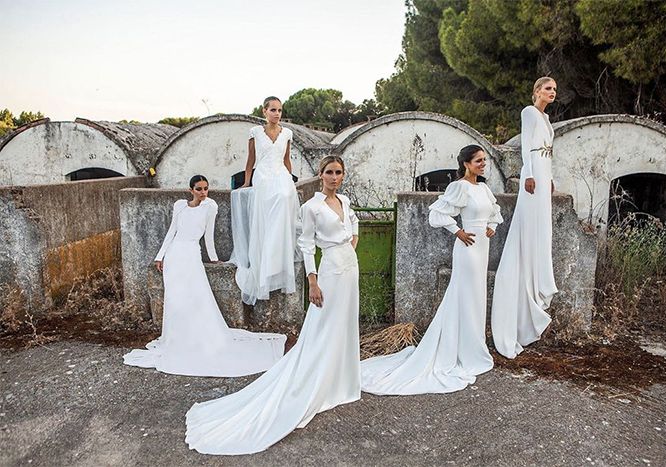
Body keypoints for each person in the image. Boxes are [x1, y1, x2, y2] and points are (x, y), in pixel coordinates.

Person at [186, 156, 360, 455]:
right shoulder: (311, 207)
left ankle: (340, 379)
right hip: (329, 271)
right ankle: (315, 380)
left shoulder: (344, 201)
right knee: (323, 325)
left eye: (339, 172)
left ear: (344, 175)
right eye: (329, 172)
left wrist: (348, 248)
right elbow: (305, 245)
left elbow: (354, 227)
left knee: (345, 324)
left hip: (350, 267)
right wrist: (313, 280)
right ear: (320, 175)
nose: (334, 177)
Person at [361, 145, 502, 395]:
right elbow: (437, 214)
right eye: (478, 161)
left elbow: (494, 212)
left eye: (484, 160)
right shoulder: (459, 187)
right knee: (464, 297)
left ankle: (472, 347)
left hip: (483, 247)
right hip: (468, 249)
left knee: (477, 297)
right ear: (466, 164)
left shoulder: (483, 188)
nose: (483, 164)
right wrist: (457, 231)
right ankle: (460, 351)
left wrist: (491, 225)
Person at [123, 175, 286, 377]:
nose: (203, 192)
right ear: (191, 190)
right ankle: (176, 337)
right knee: (175, 298)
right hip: (174, 255)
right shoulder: (180, 206)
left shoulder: (210, 207)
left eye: (206, 188)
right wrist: (160, 256)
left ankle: (198, 336)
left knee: (196, 296)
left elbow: (208, 235)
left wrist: (215, 258)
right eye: (199, 189)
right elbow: (171, 231)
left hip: (191, 254)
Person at [491, 77, 559, 359]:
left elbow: (548, 153)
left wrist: (550, 178)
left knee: (543, 229)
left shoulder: (546, 117)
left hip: (544, 173)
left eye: (555, 89)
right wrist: (528, 175)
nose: (552, 92)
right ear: (536, 91)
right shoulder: (529, 112)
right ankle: (528, 283)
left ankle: (536, 279)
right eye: (547, 88)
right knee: (530, 227)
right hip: (534, 174)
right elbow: (527, 146)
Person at [233, 96, 299, 305]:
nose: (277, 114)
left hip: (280, 172)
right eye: (273, 110)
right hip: (262, 174)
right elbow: (250, 159)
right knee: (270, 203)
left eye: (279, 110)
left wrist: (291, 178)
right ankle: (265, 262)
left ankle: (278, 258)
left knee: (285, 195)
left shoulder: (287, 133)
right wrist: (246, 182)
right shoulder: (255, 133)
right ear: (264, 111)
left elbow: (286, 159)